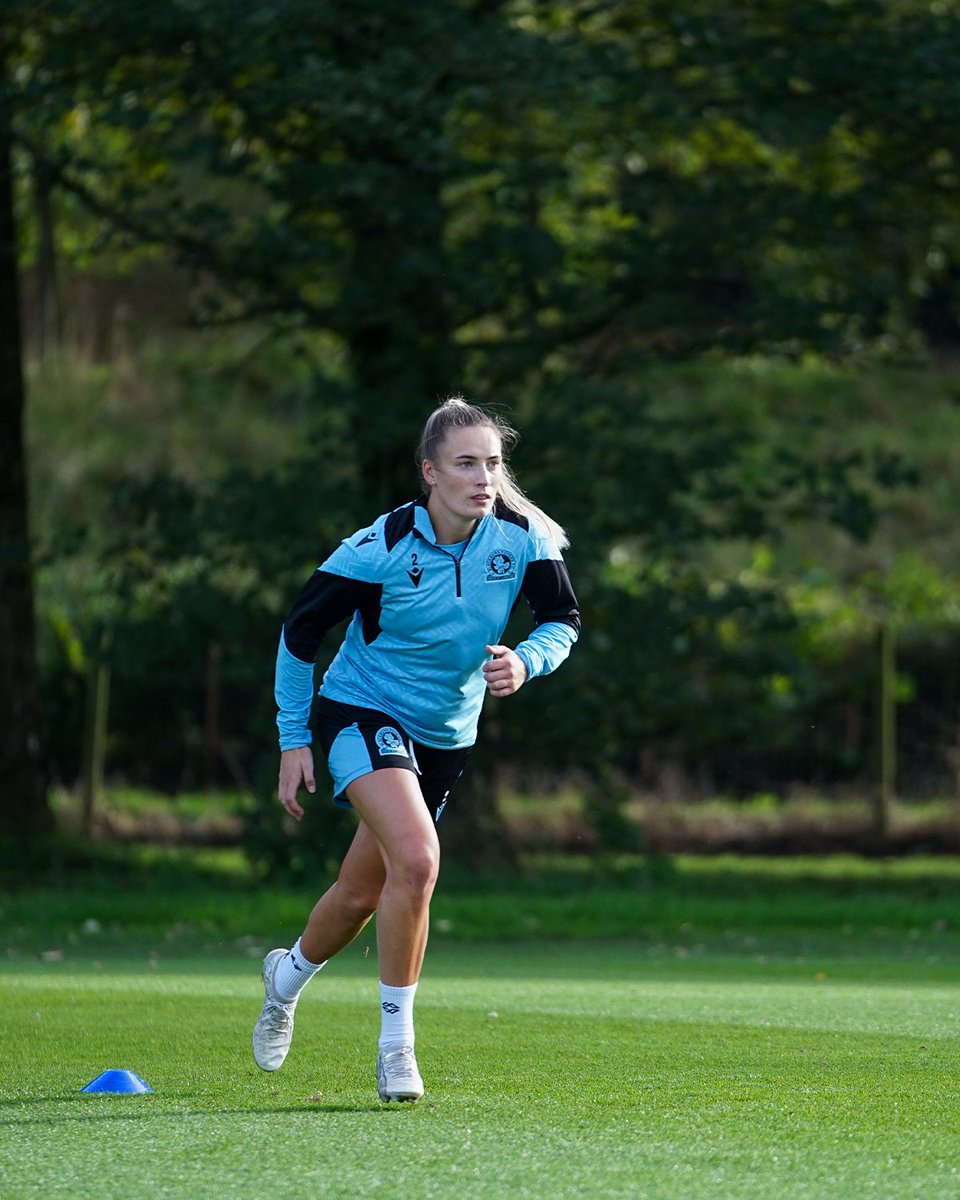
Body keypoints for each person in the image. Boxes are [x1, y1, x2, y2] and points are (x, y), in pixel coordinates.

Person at [252, 396, 580, 1103]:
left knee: (359, 895)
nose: (482, 477)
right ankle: (396, 1050)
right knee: (422, 858)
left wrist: (526, 662)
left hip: (446, 736)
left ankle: (283, 981)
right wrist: (292, 738)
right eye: (466, 463)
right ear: (429, 472)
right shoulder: (378, 546)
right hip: (360, 711)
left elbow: (562, 621)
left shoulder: (525, 538)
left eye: (492, 462)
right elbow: (299, 636)